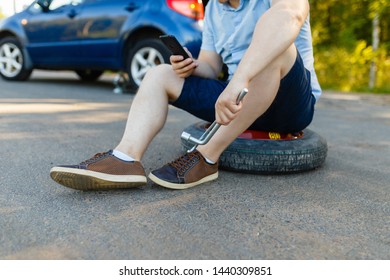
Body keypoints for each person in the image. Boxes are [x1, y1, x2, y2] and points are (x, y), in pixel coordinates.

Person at [50, 0, 321, 191]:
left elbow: (291, 15)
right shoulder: (214, 7)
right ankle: (125, 159)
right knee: (159, 73)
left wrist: (239, 80)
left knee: (277, 51)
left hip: (290, 103)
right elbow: (211, 65)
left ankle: (205, 157)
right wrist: (189, 65)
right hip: (239, 101)